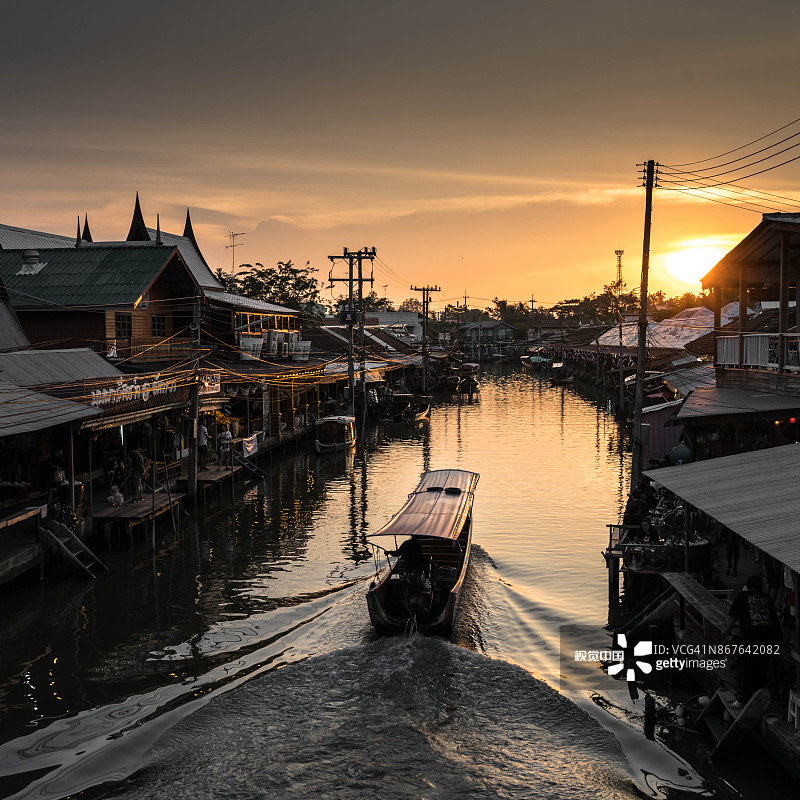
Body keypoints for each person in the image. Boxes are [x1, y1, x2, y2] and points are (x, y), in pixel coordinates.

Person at [726, 575, 783, 704]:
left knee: (748, 669)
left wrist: (727, 630)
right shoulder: (767, 597)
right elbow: (774, 619)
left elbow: (731, 618)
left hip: (751, 639)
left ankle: (743, 699)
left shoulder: (741, 596)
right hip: (769, 638)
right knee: (761, 668)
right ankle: (760, 697)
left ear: (747, 586)